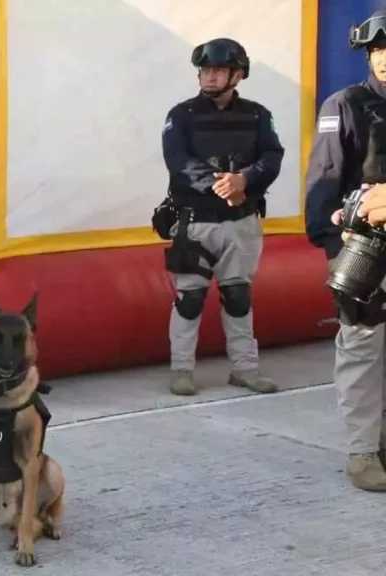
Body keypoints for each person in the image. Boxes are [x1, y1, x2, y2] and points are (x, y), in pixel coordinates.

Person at [157, 38, 284, 396]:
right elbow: (177, 160)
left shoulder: (258, 115)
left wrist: (246, 180)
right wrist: (221, 185)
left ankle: (245, 369)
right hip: (195, 221)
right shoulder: (181, 115)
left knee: (239, 295)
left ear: (237, 75)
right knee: (190, 297)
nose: (209, 77)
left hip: (242, 221)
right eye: (205, 71)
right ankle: (181, 370)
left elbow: (272, 156)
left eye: (218, 71)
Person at [305, 8, 386, 491]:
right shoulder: (347, 105)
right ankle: (362, 451)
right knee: (362, 346)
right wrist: (336, 248)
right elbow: (324, 185)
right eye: (379, 50)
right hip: (367, 250)